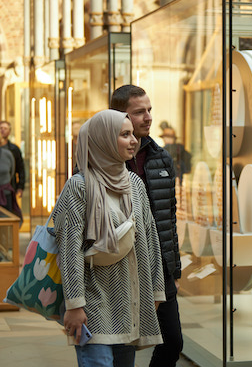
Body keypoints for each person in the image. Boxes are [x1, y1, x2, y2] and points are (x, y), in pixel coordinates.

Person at [52, 109, 166, 366]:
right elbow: (69, 249)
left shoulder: (134, 184)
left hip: (128, 304)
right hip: (92, 303)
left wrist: (156, 292)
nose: (134, 140)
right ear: (102, 139)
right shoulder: (79, 186)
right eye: (124, 135)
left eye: (132, 134)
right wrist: (74, 305)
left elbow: (150, 238)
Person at [110, 85, 183, 367]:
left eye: (149, 110)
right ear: (120, 117)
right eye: (139, 112)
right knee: (123, 348)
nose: (148, 117)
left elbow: (169, 217)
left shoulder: (162, 157)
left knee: (173, 342)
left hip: (160, 268)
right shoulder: (104, 161)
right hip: (120, 267)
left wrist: (174, 268)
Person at [0, 121, 23, 221]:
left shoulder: (13, 149)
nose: (2, 130)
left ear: (9, 131)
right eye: (1, 128)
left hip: (8, 188)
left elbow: (18, 169)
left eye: (5, 128)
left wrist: (20, 186)